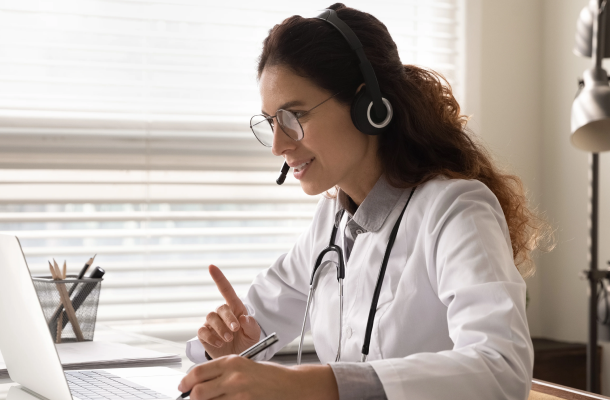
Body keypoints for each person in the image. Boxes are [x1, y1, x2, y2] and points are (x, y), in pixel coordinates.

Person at [177, 3, 552, 399]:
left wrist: (310, 383)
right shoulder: (331, 222)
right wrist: (228, 347)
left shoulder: (455, 210)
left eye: (294, 116)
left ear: (367, 108)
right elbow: (251, 325)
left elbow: (502, 367)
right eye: (271, 122)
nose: (278, 145)